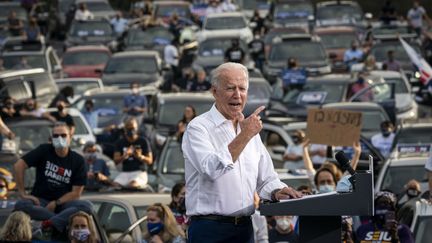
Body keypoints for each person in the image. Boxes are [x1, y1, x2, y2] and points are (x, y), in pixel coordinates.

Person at [182, 62, 302, 242]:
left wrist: (278, 191)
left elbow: (266, 179)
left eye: (242, 89)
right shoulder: (198, 128)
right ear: (214, 92)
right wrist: (245, 135)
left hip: (245, 228)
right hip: (210, 229)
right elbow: (211, 169)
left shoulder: (249, 131)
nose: (237, 95)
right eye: (230, 88)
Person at [14, 122, 92, 236]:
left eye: (63, 135)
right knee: (21, 205)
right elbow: (18, 165)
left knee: (87, 206)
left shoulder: (78, 160)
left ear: (70, 137)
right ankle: (59, 221)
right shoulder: (44, 150)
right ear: (51, 138)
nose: (60, 138)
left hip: (64, 204)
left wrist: (56, 203)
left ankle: (47, 224)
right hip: (40, 202)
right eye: (56, 136)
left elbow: (76, 193)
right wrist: (22, 193)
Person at [113, 118, 152, 189]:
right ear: (125, 130)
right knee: (115, 185)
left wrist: (140, 156)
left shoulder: (143, 141)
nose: (131, 131)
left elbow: (150, 160)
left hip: (139, 172)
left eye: (133, 128)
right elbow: (116, 160)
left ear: (137, 128)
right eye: (129, 129)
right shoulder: (120, 142)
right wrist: (124, 156)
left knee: (133, 185)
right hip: (125, 172)